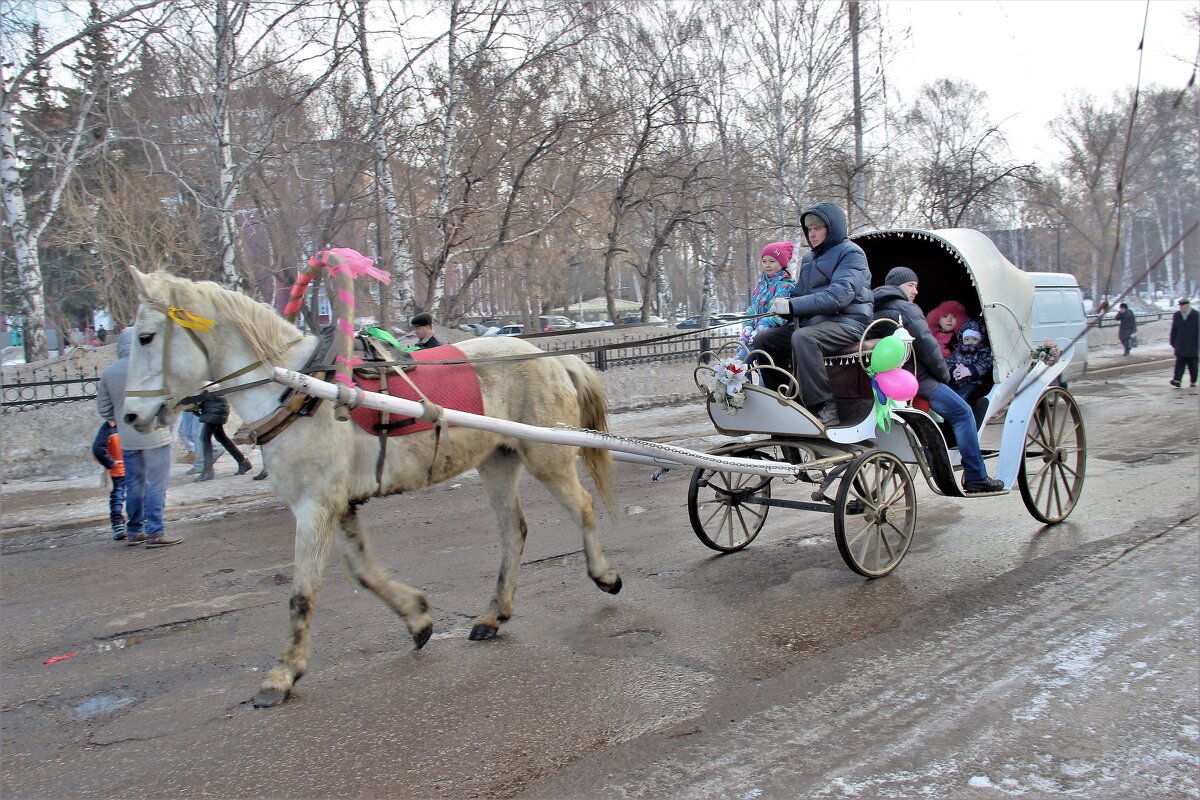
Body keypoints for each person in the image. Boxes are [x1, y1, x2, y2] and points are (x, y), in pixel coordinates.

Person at [873, 267, 1004, 493]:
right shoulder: (907, 309)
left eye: (916, 285)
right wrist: (943, 375)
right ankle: (976, 476)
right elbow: (927, 345)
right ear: (897, 286)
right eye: (911, 285)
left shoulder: (872, 310)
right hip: (918, 379)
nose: (915, 290)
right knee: (963, 413)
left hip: (884, 381)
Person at [753, 202, 874, 427]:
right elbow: (800, 295)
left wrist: (793, 307)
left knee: (804, 338)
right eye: (809, 229)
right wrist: (783, 306)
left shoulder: (852, 254)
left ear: (833, 228)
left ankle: (825, 407)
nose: (813, 233)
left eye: (818, 227)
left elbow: (839, 295)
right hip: (817, 323)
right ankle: (785, 401)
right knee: (763, 340)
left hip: (849, 322)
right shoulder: (809, 259)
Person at [96, 328, 182, 548]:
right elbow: (170, 399)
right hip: (155, 434)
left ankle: (134, 531)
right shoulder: (152, 368)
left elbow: (105, 410)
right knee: (156, 484)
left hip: (128, 438)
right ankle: (155, 532)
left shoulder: (109, 373)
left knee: (134, 483)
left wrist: (123, 419)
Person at [737, 241, 797, 357]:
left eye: (772, 261)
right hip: (755, 335)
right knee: (741, 361)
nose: (767, 265)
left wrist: (760, 329)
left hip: (771, 336)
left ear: (782, 263)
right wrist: (748, 326)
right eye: (764, 261)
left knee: (744, 361)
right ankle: (739, 374)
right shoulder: (761, 285)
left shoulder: (786, 286)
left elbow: (779, 313)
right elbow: (753, 308)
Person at [190, 392, 251, 482]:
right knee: (221, 437)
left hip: (215, 407)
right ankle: (243, 462)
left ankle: (207, 471)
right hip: (215, 406)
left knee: (205, 438)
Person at [91, 420, 127, 540]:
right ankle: (118, 525)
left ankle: (126, 524)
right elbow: (98, 449)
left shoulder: (124, 424)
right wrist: (110, 463)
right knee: (118, 497)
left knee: (126, 497)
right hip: (118, 470)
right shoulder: (109, 427)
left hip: (131, 468)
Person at [946, 318, 993, 403]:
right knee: (947, 390)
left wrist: (969, 371)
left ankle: (957, 406)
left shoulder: (983, 351)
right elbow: (948, 363)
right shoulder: (958, 351)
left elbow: (986, 364)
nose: (970, 342)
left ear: (980, 339)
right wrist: (954, 370)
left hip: (974, 383)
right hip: (957, 381)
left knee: (963, 393)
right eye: (967, 339)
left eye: (974, 339)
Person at [1169, 297, 1198, 388]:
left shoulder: (1196, 315)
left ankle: (1193, 380)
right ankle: (1177, 380)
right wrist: (1173, 341)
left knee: (1193, 366)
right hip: (1180, 345)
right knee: (1179, 364)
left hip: (1193, 345)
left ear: (1187, 305)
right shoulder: (1177, 315)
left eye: (1182, 306)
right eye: (1180, 306)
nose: (1180, 307)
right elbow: (1174, 330)